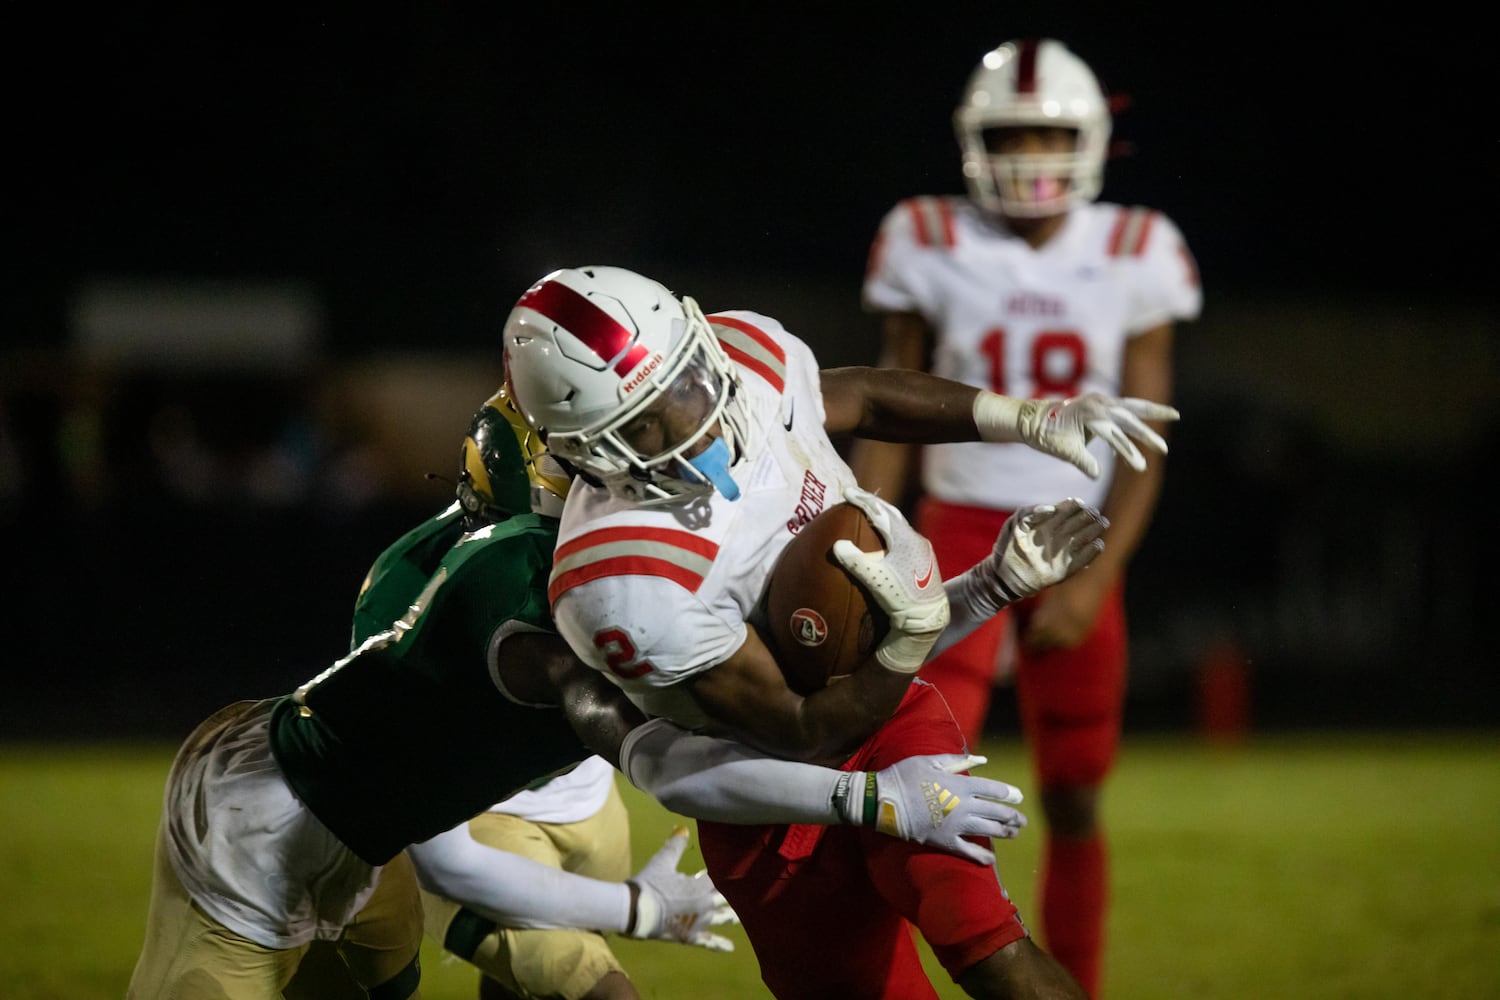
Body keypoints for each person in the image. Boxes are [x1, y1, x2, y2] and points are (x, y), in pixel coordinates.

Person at [127, 386, 1042, 1000]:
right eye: (601, 471)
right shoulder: (539, 604)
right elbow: (688, 759)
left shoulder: (577, 571)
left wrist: (984, 586)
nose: (638, 486)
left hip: (365, 839)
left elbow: (784, 683)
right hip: (258, 828)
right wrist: (872, 800)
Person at [502, 263, 1177, 998]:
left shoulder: (744, 359)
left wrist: (1026, 420)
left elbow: (865, 396)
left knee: (988, 948)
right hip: (766, 793)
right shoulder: (623, 579)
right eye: (647, 418)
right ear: (586, 449)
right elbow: (800, 726)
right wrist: (938, 624)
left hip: (890, 719)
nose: (696, 414)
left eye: (689, 377)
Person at [848, 38, 1204, 996]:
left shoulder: (1137, 246)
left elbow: (1149, 435)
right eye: (1013, 133)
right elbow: (886, 405)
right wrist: (853, 532)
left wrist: (1103, 569)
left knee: (1075, 791)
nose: (1033, 153)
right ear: (975, 140)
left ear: (1089, 140)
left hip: (1077, 530)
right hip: (951, 528)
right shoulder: (926, 232)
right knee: (913, 785)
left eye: (1049, 132)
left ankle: (1071, 984)